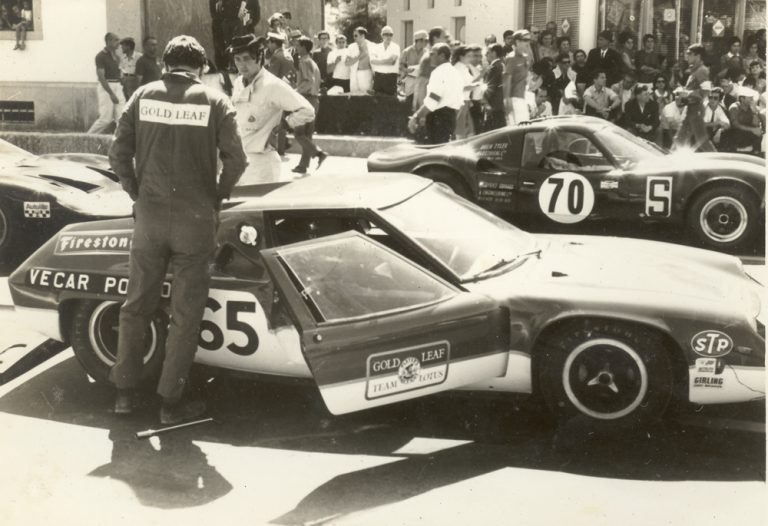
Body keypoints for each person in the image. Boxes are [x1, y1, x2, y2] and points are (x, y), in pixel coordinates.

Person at [108, 35, 247, 424]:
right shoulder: (216, 101)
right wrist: (216, 196)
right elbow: (237, 160)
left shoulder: (141, 96)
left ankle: (123, 394)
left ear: (166, 65)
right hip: (195, 220)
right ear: (200, 67)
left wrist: (136, 191)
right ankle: (170, 404)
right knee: (185, 314)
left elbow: (117, 153)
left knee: (136, 304)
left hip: (150, 217)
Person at [229, 34, 316, 183]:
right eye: (237, 59)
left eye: (247, 58)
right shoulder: (238, 83)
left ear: (259, 58)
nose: (242, 65)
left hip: (261, 165)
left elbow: (307, 110)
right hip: (238, 160)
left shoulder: (272, 85)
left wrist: (282, 126)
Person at [408, 43, 463, 144]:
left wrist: (416, 117)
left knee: (434, 150)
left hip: (437, 119)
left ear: (442, 56)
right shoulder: (456, 73)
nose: (430, 56)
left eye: (432, 54)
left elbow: (433, 99)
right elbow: (459, 101)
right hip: (451, 118)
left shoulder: (438, 72)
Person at [293, 36, 328, 174]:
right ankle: (303, 165)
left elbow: (308, 82)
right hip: (314, 100)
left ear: (303, 47)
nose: (296, 47)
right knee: (307, 135)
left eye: (298, 45)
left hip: (305, 99)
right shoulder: (312, 62)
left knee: (298, 134)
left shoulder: (304, 61)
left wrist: (295, 92)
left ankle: (319, 153)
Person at [674, 44, 715, 152]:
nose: (687, 56)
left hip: (696, 109)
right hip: (691, 108)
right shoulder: (695, 70)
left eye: (689, 54)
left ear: (698, 56)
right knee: (680, 139)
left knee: (702, 141)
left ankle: (720, 161)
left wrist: (687, 93)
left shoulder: (701, 70)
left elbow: (706, 91)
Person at [87, 33, 126, 134]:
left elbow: (119, 73)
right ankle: (87, 138)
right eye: (116, 40)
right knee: (105, 120)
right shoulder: (100, 56)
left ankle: (118, 140)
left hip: (118, 86)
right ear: (108, 41)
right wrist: (111, 94)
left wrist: (122, 79)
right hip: (107, 88)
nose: (119, 42)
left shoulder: (117, 57)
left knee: (121, 118)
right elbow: (101, 77)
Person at [503, 30, 533, 125]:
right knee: (517, 129)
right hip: (514, 100)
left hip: (523, 98)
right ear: (517, 41)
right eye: (525, 40)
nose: (528, 42)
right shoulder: (511, 58)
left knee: (525, 128)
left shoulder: (525, 57)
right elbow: (506, 81)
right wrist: (507, 101)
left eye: (529, 40)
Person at [414, 26, 448, 109]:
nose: (446, 40)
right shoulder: (430, 58)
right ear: (435, 39)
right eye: (444, 37)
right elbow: (422, 85)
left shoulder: (440, 57)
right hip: (429, 107)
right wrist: (423, 111)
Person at [721, 87, 763, 153]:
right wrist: (752, 129)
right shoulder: (734, 107)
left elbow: (756, 124)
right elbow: (735, 125)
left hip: (748, 135)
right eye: (750, 98)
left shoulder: (751, 107)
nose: (752, 100)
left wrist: (754, 112)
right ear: (742, 99)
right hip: (736, 135)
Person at [399, 30, 428, 110]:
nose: (427, 43)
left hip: (422, 80)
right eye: (425, 40)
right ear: (419, 40)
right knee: (409, 100)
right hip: (410, 79)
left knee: (420, 101)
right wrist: (406, 70)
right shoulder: (407, 51)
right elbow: (400, 65)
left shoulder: (426, 52)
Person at [371, 25, 400, 96]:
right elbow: (372, 61)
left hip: (390, 78)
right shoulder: (376, 47)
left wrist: (378, 61)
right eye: (386, 34)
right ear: (382, 35)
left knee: (391, 101)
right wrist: (387, 60)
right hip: (378, 78)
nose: (388, 36)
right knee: (377, 100)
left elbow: (392, 62)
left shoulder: (396, 47)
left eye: (391, 34)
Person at [483, 43, 506, 131]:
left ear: (494, 53)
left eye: (488, 52)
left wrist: (484, 101)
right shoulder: (502, 64)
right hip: (501, 105)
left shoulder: (494, 67)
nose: (486, 55)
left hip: (494, 106)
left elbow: (489, 88)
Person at [347, 27, 373, 94]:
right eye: (353, 36)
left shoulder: (372, 46)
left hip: (366, 74)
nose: (354, 38)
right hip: (354, 74)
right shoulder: (351, 47)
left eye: (356, 36)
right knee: (354, 96)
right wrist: (360, 55)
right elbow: (347, 63)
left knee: (366, 96)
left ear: (362, 36)